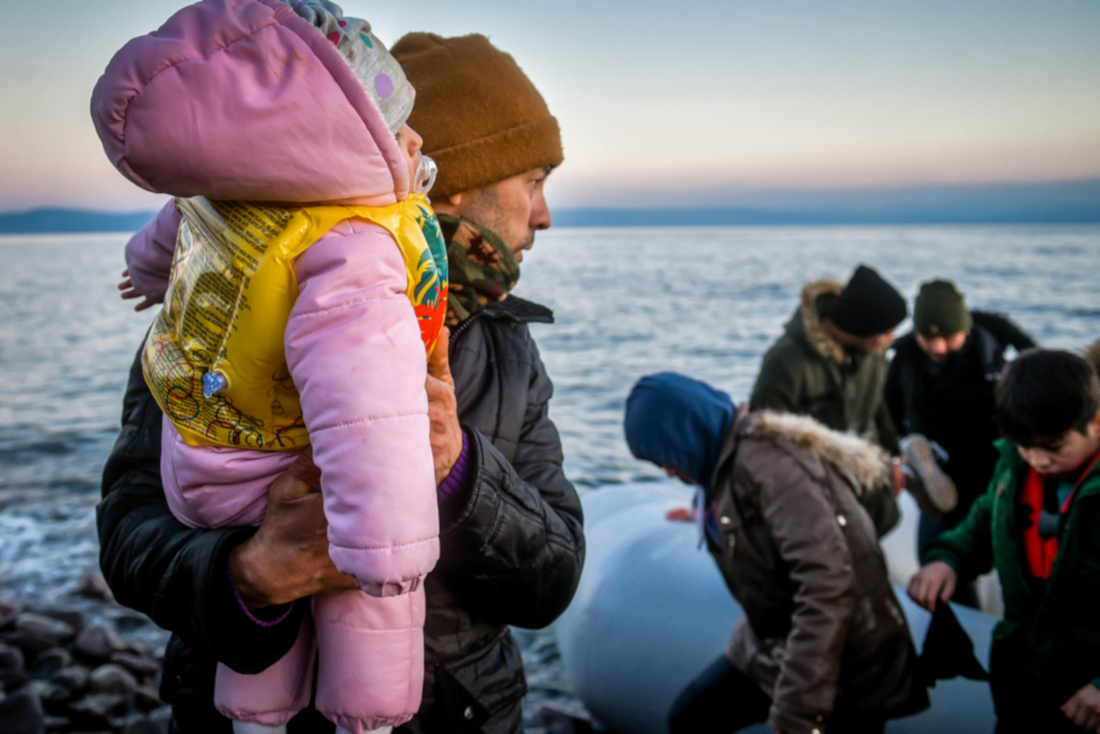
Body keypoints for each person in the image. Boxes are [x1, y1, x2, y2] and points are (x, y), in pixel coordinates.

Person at [97, 27, 584, 734]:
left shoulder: (507, 349)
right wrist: (249, 575)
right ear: (456, 180)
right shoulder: (216, 311)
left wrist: (461, 474)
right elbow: (126, 533)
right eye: (533, 182)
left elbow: (553, 579)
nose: (544, 215)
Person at [97, 2, 447, 732]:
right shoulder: (352, 242)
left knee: (271, 599)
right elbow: (368, 404)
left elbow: (174, 229)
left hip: (203, 466)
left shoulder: (228, 197)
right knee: (368, 600)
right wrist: (388, 546)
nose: (415, 143)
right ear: (355, 129)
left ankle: (255, 718)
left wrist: (143, 269)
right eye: (400, 124)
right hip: (283, 472)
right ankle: (370, 720)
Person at [625, 373, 926, 734]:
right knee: (690, 718)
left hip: (847, 657)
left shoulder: (771, 466)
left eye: (668, 459)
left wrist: (799, 710)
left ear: (689, 435)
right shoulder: (722, 464)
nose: (670, 471)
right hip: (774, 645)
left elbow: (828, 587)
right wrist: (700, 514)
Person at [909, 350, 1100, 734]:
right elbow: (985, 520)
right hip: (1021, 679)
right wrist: (948, 558)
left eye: (1053, 448)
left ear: (1096, 422)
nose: (1037, 460)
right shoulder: (1015, 466)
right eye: (1024, 447)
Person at [885, 280, 1035, 606]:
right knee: (935, 551)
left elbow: (1039, 368)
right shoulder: (905, 357)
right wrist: (895, 453)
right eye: (929, 338)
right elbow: (887, 412)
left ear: (965, 329)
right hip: (940, 469)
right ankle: (957, 621)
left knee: (1004, 545)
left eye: (948, 339)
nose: (937, 348)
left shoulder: (991, 340)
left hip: (992, 461)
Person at [750, 265, 907, 452]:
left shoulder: (874, 356)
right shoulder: (786, 361)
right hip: (808, 472)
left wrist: (895, 457)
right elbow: (763, 431)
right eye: (887, 332)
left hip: (868, 468)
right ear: (863, 328)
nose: (892, 340)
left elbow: (880, 415)